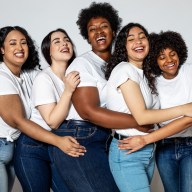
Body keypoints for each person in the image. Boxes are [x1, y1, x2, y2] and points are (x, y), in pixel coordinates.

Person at [49, 2, 152, 192]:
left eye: (104, 26)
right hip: (80, 138)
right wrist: (137, 122)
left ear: (113, 30)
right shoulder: (83, 64)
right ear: (86, 36)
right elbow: (88, 111)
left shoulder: (119, 64)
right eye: (92, 29)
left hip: (104, 137)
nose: (99, 32)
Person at [105, 23, 192, 192]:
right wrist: (185, 108)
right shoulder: (124, 70)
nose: (138, 41)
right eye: (131, 39)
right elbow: (142, 117)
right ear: (124, 46)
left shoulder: (145, 75)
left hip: (148, 151)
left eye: (142, 36)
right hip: (128, 150)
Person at [0, 26, 83, 192]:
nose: (19, 47)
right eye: (13, 43)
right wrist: (58, 141)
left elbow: (51, 75)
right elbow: (18, 121)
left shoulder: (28, 74)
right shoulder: (2, 77)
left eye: (23, 43)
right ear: (2, 49)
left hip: (15, 145)